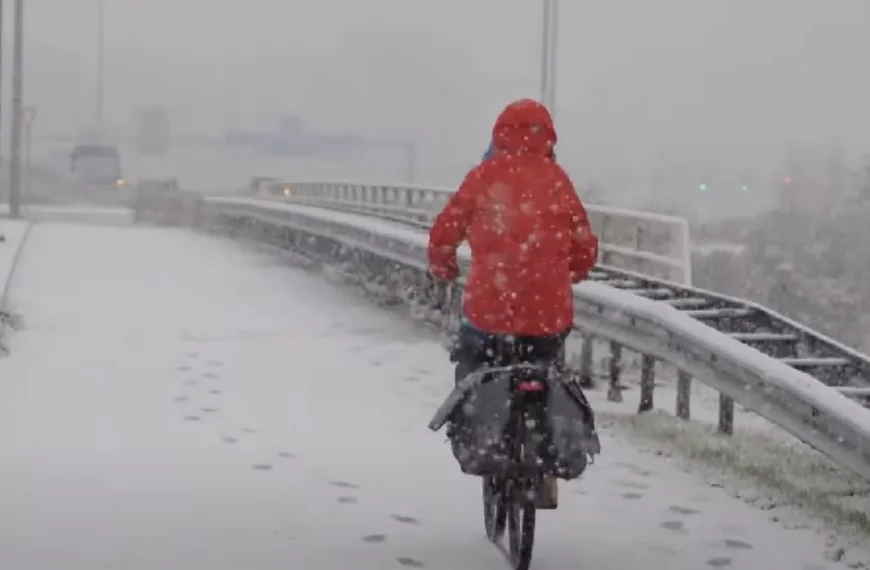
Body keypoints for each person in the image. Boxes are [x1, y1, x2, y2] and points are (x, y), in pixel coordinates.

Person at [427, 98, 599, 507]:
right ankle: (546, 464)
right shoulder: (558, 179)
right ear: (549, 138)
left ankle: (477, 438)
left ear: (499, 135)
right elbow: (584, 245)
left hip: (491, 309)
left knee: (474, 365)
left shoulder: (484, 177)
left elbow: (445, 230)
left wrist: (444, 266)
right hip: (547, 311)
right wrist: (568, 273)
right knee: (550, 368)